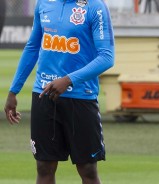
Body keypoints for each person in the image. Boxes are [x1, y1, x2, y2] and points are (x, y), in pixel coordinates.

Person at [4, 0, 114, 183]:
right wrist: (13, 91)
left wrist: (68, 80)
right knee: (44, 166)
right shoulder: (44, 3)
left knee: (87, 169)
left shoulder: (95, 6)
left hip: (81, 97)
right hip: (43, 94)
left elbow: (107, 57)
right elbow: (32, 47)